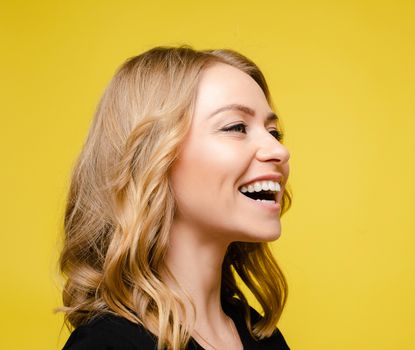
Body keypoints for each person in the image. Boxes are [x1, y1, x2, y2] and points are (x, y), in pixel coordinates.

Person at [58, 46, 292, 350]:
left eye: (274, 133)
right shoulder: (107, 345)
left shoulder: (263, 337)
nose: (279, 151)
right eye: (236, 127)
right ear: (152, 157)